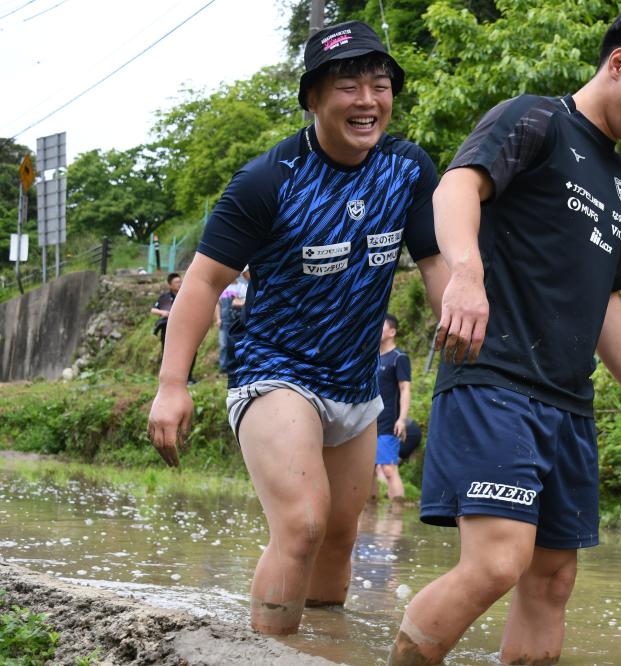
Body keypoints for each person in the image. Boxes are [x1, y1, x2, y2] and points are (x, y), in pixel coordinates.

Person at [389, 6, 621, 664]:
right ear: (620, 63)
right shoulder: (534, 118)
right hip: (494, 378)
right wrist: (466, 274)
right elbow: (455, 189)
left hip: (567, 402)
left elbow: (602, 300)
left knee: (552, 579)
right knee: (497, 562)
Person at [146, 19, 447, 636]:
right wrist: (172, 383)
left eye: (380, 84)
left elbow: (438, 262)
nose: (367, 101)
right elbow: (202, 283)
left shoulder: (409, 169)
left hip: (357, 381)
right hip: (275, 370)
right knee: (304, 524)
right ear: (313, 98)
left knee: (341, 534)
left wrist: (466, 331)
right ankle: (264, 654)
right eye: (347, 86)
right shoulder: (269, 180)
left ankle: (324, 647)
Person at [371, 314, 410, 501]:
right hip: (368, 420)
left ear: (392, 332)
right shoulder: (372, 358)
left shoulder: (399, 358)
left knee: (388, 469)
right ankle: (369, 519)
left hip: (388, 420)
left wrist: (402, 419)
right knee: (367, 470)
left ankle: (397, 517)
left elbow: (405, 389)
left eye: (382, 325)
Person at [150, 272, 196, 385]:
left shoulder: (187, 295)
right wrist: (163, 312)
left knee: (191, 352)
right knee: (168, 353)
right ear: (170, 285)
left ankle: (188, 377)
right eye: (176, 282)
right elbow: (153, 309)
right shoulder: (164, 297)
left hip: (185, 328)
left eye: (180, 281)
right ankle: (170, 379)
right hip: (168, 329)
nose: (179, 284)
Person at [214, 265, 250, 374]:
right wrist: (218, 318)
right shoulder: (222, 287)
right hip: (224, 320)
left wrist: (238, 301)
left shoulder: (241, 286)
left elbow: (246, 300)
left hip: (237, 320)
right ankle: (223, 367)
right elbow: (217, 305)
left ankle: (238, 365)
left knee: (237, 343)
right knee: (223, 344)